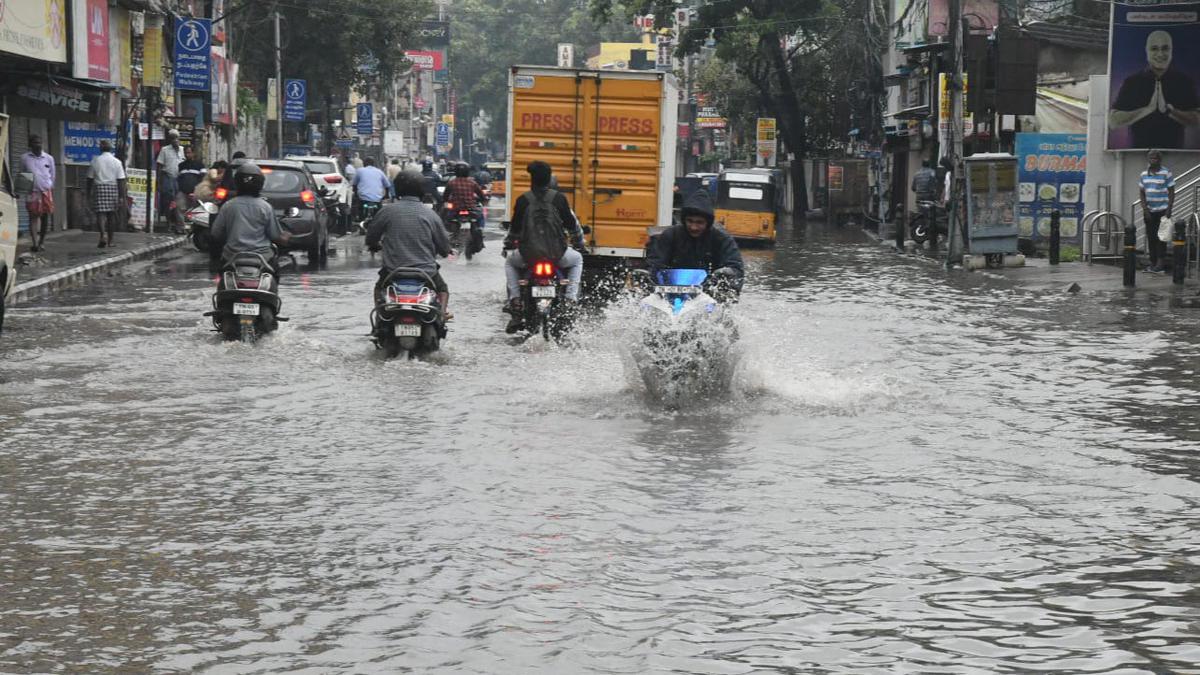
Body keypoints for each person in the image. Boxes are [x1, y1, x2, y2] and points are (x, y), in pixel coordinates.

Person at [503, 161, 585, 333]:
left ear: (531, 180)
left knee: (510, 263)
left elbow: (515, 229)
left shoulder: (523, 200)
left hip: (528, 256)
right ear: (549, 179)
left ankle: (516, 301)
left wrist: (508, 244)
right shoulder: (559, 199)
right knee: (578, 259)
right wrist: (579, 243)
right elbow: (572, 226)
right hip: (557, 254)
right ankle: (570, 300)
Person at [365, 170, 453, 317]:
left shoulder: (387, 211)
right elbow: (444, 246)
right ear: (422, 190)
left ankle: (379, 318)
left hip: (392, 271)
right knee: (442, 289)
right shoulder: (431, 215)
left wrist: (374, 245)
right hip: (427, 272)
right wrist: (445, 251)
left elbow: (371, 237)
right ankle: (442, 315)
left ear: (398, 188)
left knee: (379, 288)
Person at [1110, 30, 1200, 149]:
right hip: (1136, 154)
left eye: (1165, 48)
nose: (1160, 54)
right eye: (1154, 48)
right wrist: (1147, 109)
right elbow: (1113, 121)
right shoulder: (1132, 82)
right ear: (1146, 51)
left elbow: (1197, 120)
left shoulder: (1184, 82)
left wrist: (1171, 112)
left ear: (1171, 51)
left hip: (1177, 154)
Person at [646, 189, 744, 293]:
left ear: (708, 223)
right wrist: (649, 279)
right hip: (670, 289)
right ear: (684, 220)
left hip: (709, 291)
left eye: (699, 222)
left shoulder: (722, 239)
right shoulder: (669, 235)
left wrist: (725, 274)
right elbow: (654, 264)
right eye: (690, 221)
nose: (694, 227)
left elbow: (735, 268)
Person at [210, 162, 291, 266]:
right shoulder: (265, 207)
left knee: (221, 274)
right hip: (263, 258)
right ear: (260, 184)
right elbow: (275, 235)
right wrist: (287, 237)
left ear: (237, 182)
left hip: (232, 257)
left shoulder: (228, 206)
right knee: (275, 273)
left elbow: (216, 233)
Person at [1139, 149, 1175, 273]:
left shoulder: (1166, 172)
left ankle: (1160, 264)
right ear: (1148, 160)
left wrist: (1169, 209)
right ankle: (1153, 263)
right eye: (1151, 158)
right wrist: (1145, 210)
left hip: (1163, 211)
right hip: (1149, 211)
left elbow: (1171, 191)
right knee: (1151, 237)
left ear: (1159, 160)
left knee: (1162, 238)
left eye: (1155, 158)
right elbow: (1142, 193)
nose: (1153, 160)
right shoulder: (1144, 174)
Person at [87, 140, 127, 248]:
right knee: (111, 215)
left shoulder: (95, 161)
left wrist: (88, 193)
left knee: (100, 214)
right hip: (113, 187)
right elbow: (121, 180)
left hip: (99, 187)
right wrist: (122, 197)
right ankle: (111, 240)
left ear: (101, 148)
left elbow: (89, 179)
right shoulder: (117, 162)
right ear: (111, 149)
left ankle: (102, 235)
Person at [20, 134, 56, 251]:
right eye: (35, 143)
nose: (38, 145)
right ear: (30, 145)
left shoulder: (49, 158)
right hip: (32, 192)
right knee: (33, 216)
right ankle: (35, 243)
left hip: (45, 191)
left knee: (45, 217)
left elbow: (53, 175)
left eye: (40, 142)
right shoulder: (24, 158)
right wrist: (22, 191)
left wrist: (50, 186)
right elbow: (22, 174)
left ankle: (42, 242)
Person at [443, 162, 489, 238]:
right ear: (467, 171)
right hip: (470, 208)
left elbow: (445, 196)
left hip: (455, 209)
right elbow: (481, 194)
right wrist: (483, 200)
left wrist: (445, 201)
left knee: (446, 216)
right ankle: (481, 229)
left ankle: (447, 232)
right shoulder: (472, 182)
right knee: (481, 216)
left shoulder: (451, 183)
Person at [156, 130, 184, 228]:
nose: (174, 140)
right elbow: (159, 166)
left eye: (176, 137)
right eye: (172, 138)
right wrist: (158, 182)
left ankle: (177, 221)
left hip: (179, 179)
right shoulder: (164, 150)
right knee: (168, 200)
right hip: (167, 177)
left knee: (178, 201)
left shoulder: (182, 150)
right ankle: (169, 221)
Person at [352, 157, 393, 222]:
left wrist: (356, 193)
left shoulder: (360, 171)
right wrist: (386, 195)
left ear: (364, 163)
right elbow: (387, 185)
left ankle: (359, 219)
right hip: (377, 198)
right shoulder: (379, 172)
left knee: (359, 208)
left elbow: (354, 184)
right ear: (373, 164)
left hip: (363, 198)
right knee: (378, 215)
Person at [176, 146, 206, 213]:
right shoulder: (181, 165)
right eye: (185, 153)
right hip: (183, 192)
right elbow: (179, 178)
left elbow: (203, 179)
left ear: (193, 153)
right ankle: (181, 223)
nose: (187, 155)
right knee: (179, 207)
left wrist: (197, 191)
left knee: (195, 211)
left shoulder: (200, 165)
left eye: (189, 153)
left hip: (196, 192)